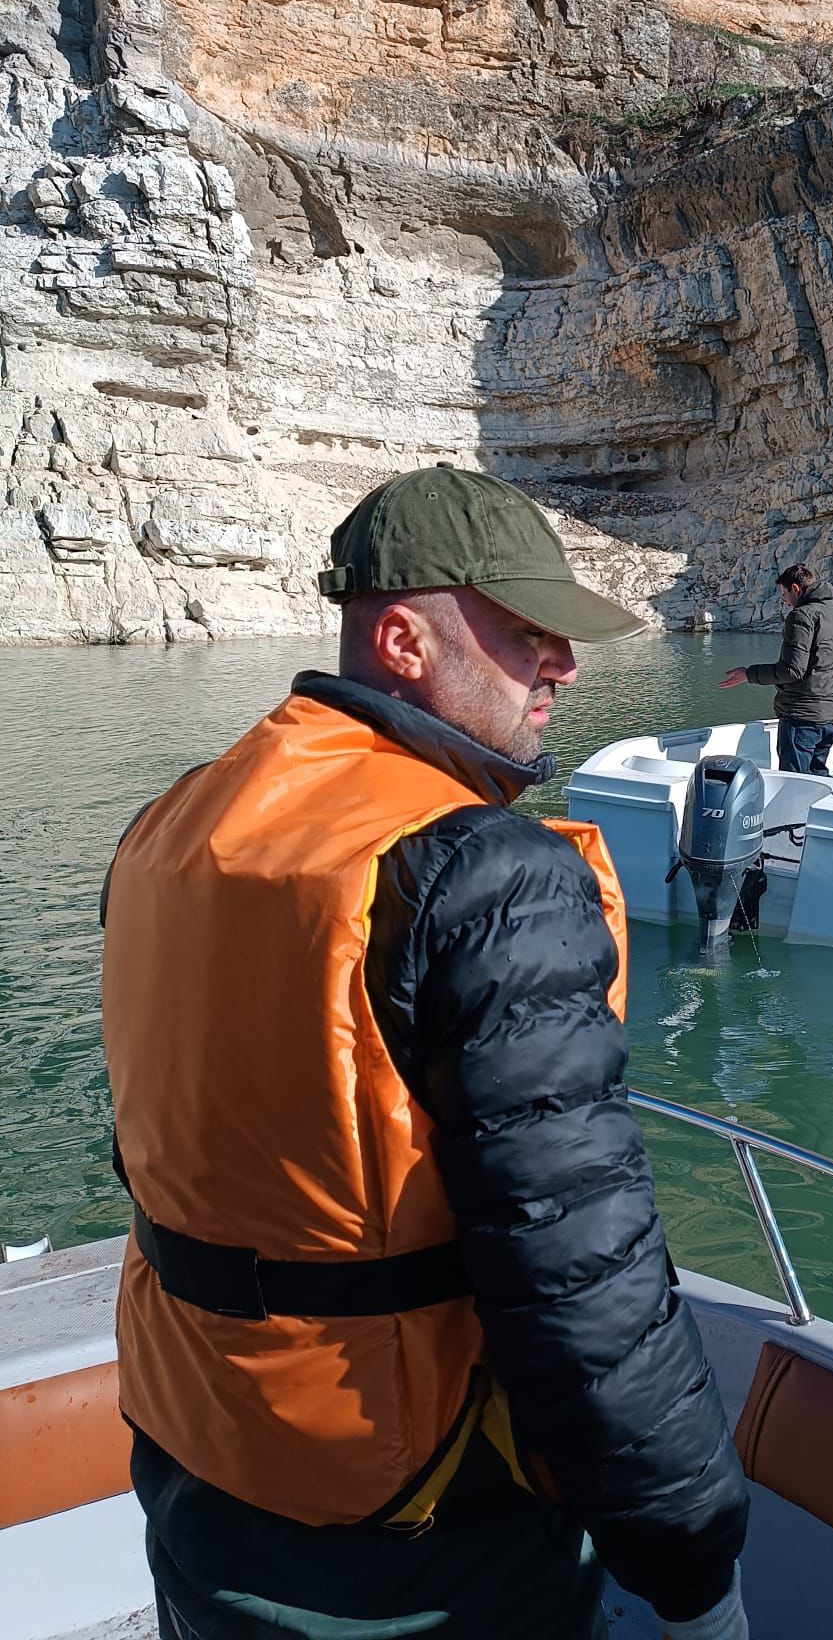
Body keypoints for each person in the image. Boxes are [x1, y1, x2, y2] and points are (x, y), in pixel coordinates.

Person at [102, 467, 750, 1640]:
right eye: (520, 632)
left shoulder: (173, 821)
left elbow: (159, 1137)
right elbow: (584, 1282)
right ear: (401, 637)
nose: (561, 663)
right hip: (414, 1522)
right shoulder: (483, 869)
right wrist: (695, 1560)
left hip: (196, 1452)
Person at [720, 563, 833, 774]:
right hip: (832, 713)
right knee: (818, 780)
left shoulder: (801, 616)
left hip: (802, 716)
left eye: (784, 593)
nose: (784, 599)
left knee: (795, 785)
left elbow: (791, 670)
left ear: (796, 589)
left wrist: (748, 674)